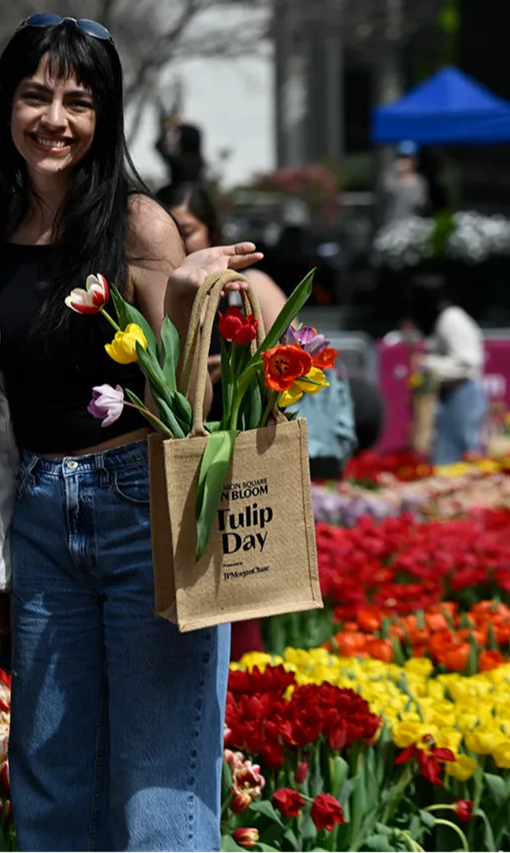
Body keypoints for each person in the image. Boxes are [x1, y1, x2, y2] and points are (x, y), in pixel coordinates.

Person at [0, 17, 260, 851]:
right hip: (39, 514)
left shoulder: (138, 224)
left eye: (78, 100)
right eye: (35, 95)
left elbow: (186, 392)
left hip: (143, 506)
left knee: (158, 787)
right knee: (51, 779)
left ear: (105, 116)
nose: (54, 118)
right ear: (6, 106)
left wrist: (184, 300)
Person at [155, 182, 354, 658]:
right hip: (183, 454)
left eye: (187, 232)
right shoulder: (160, 290)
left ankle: (244, 679)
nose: (180, 247)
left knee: (239, 575)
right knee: (197, 580)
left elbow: (299, 355)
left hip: (243, 453)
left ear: (212, 231)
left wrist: (234, 368)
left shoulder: (244, 287)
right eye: (168, 235)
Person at [409, 275, 486, 465]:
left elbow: (468, 363)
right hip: (450, 394)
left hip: (462, 393)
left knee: (459, 457)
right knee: (444, 455)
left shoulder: (452, 319)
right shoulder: (444, 319)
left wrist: (429, 364)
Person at [381, 140, 429, 225]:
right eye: (402, 157)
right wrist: (394, 169)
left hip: (411, 226)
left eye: (408, 158)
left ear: (415, 161)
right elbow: (386, 187)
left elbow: (419, 203)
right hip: (392, 225)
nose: (404, 161)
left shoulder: (419, 181)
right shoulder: (393, 178)